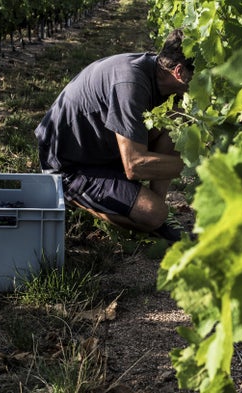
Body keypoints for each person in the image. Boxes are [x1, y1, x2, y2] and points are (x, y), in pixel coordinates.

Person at [35, 29, 194, 242]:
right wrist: (197, 164)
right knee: (153, 214)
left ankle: (156, 212)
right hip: (70, 163)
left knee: (178, 121)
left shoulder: (156, 72)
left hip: (100, 148)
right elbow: (135, 165)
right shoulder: (131, 84)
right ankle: (70, 194)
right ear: (179, 71)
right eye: (201, 74)